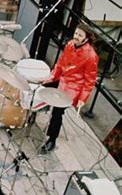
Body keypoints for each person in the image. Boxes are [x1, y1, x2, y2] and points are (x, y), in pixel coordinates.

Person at [39, 25, 98, 153]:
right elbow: (60, 63)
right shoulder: (70, 44)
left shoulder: (91, 56)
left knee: (57, 112)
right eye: (76, 33)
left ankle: (52, 140)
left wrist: (83, 98)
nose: (76, 37)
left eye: (80, 35)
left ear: (86, 39)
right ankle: (36, 111)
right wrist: (50, 78)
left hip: (72, 88)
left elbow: (90, 80)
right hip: (61, 79)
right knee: (39, 89)